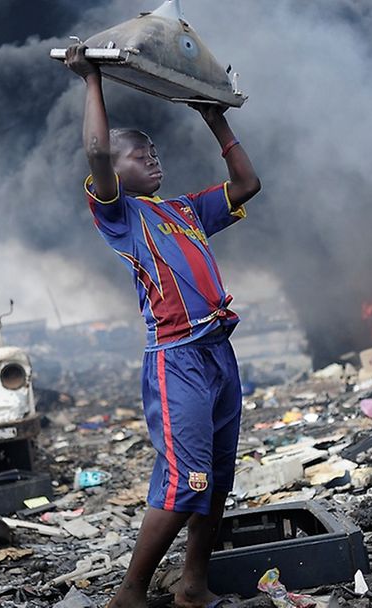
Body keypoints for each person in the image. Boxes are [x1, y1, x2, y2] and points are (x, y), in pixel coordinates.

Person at [64, 45, 261, 608]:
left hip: (219, 354)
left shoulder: (184, 211)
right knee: (185, 482)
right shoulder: (120, 214)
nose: (152, 158)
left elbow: (247, 184)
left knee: (217, 478)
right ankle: (130, 593)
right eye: (138, 154)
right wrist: (92, 79)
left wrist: (215, 118)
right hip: (177, 359)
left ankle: (193, 587)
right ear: (115, 173)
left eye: (153, 151)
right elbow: (98, 149)